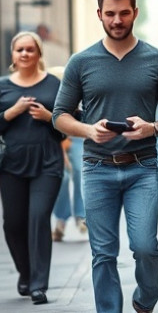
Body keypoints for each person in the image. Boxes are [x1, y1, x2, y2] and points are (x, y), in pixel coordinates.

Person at [53, 0, 158, 313]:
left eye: (124, 13)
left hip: (142, 167)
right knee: (103, 253)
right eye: (110, 14)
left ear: (135, 12)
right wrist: (88, 131)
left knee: (146, 248)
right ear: (99, 14)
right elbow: (59, 115)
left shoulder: (157, 60)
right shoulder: (81, 62)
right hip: (97, 169)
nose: (117, 20)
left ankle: (146, 298)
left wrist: (152, 127)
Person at [0, 32, 64, 304]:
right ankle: (25, 273)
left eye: (30, 49)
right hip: (11, 165)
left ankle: (38, 284)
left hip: (48, 162)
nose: (25, 54)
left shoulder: (54, 84)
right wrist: (11, 112)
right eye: (20, 50)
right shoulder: (3, 86)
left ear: (39, 53)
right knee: (13, 224)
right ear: (13, 55)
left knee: (38, 219)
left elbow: (67, 124)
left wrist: (49, 117)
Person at [47, 66, 86, 244]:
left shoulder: (77, 90)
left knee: (79, 170)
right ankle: (61, 220)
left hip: (76, 137)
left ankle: (81, 215)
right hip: (55, 138)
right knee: (61, 177)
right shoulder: (48, 95)